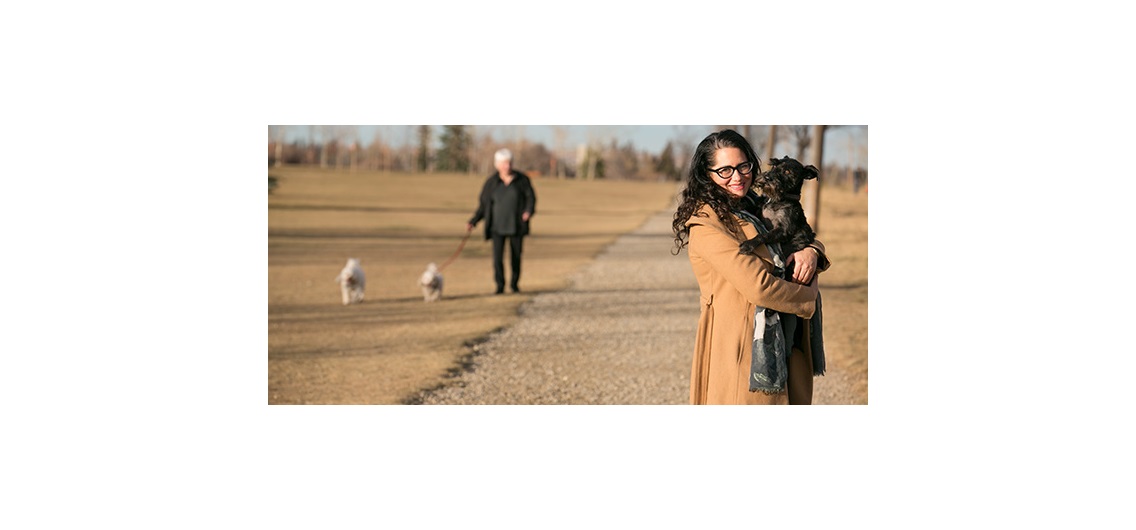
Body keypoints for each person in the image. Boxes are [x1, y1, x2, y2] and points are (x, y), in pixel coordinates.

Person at [671, 129, 829, 405]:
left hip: (783, 339)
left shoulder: (758, 205)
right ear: (707, 174)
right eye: (725, 170)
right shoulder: (706, 223)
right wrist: (808, 297)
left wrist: (812, 251)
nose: (738, 176)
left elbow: (798, 232)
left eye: (743, 166)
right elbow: (759, 287)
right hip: (741, 347)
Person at [467, 148, 537, 294]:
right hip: (496, 226)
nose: (507, 166)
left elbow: (531, 198)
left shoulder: (522, 180)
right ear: (497, 165)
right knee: (497, 259)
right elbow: (484, 205)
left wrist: (528, 211)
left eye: (509, 163)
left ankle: (514, 285)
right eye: (504, 163)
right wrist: (474, 221)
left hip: (516, 225)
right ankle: (500, 286)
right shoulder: (492, 182)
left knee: (516, 257)